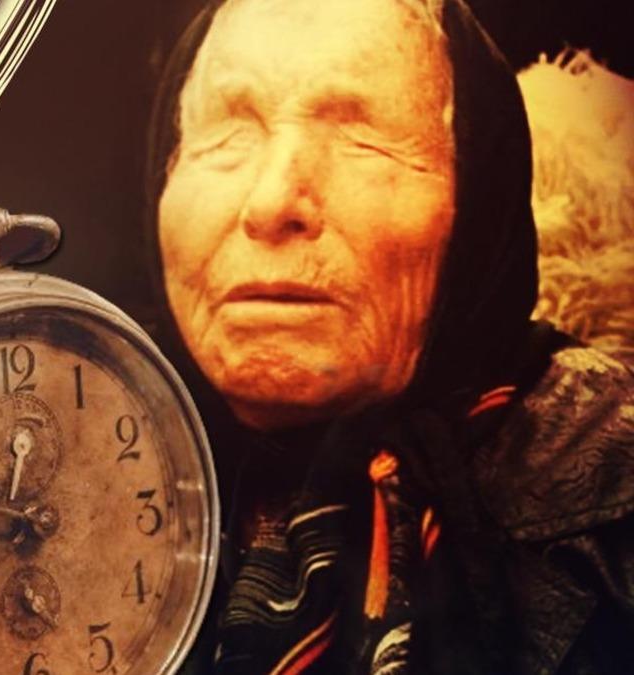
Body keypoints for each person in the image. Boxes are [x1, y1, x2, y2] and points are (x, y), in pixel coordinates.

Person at [145, 0, 634, 672]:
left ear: (480, 194)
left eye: (360, 139)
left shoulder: (612, 483)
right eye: (229, 135)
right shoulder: (76, 445)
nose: (271, 202)